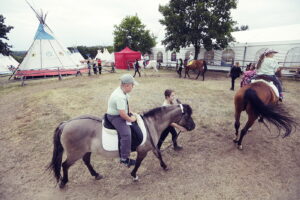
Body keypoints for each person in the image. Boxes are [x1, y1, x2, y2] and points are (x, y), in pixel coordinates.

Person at [106, 74, 138, 167]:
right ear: (127, 85)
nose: (133, 87)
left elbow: (126, 105)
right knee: (126, 134)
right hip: (115, 117)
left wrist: (130, 112)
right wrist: (131, 119)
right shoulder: (119, 96)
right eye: (132, 85)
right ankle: (124, 158)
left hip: (120, 113)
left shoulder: (123, 91)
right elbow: (122, 115)